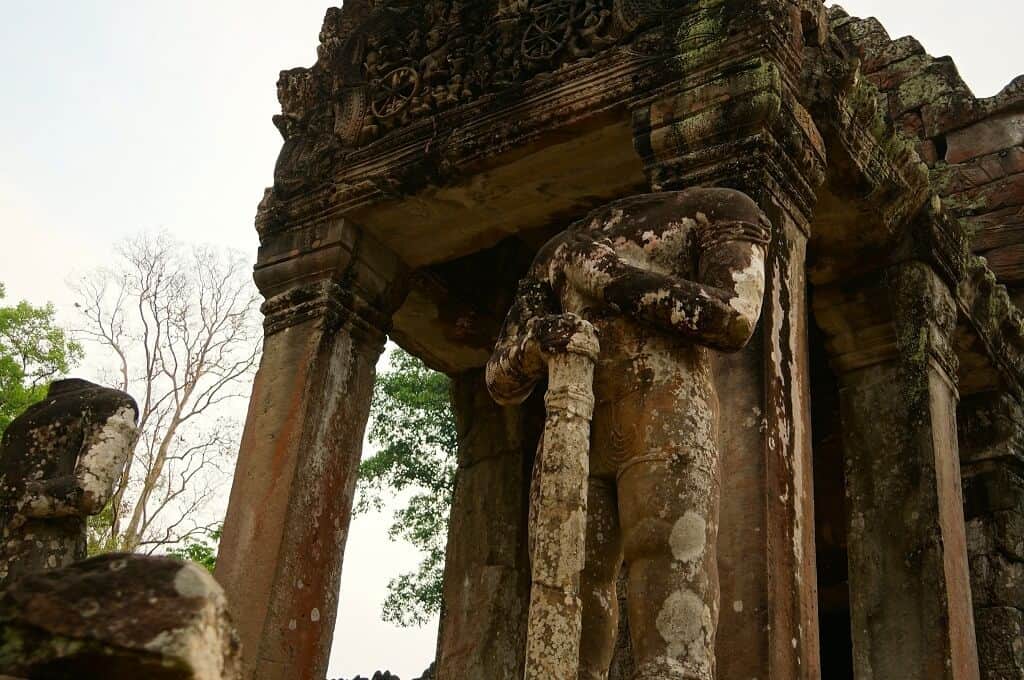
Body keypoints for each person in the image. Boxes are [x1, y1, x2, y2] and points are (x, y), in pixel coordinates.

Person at [487, 188, 771, 680]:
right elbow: (500, 375)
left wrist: (607, 277)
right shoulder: (557, 250)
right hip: (573, 421)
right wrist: (541, 342)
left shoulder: (721, 208)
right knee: (566, 585)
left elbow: (734, 317)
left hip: (666, 413)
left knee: (669, 566)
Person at [0, 379, 138, 588]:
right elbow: (91, 491)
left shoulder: (105, 403)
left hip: (42, 569)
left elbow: (89, 492)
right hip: (42, 573)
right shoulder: (111, 402)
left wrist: (16, 494)